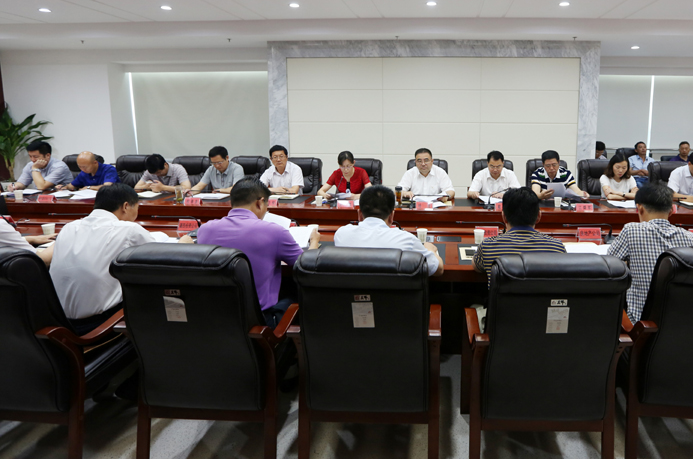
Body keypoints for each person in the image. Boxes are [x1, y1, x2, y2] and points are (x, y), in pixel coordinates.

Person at [50, 184, 192, 335]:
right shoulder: (128, 229)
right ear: (126, 206)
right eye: (137, 207)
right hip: (99, 326)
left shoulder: (68, 227)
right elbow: (164, 259)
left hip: (59, 324)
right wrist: (182, 244)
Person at [198, 178, 319, 327]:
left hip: (214, 319)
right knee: (294, 291)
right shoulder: (274, 231)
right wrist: (314, 241)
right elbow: (307, 267)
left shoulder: (204, 230)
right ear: (260, 203)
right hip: (259, 323)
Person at [608, 183, 693, 324]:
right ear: (671, 211)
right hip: (678, 321)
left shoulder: (631, 230)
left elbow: (609, 265)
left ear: (639, 208)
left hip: (639, 322)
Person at [334, 185, 443, 276]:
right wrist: (430, 250)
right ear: (391, 216)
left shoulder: (341, 235)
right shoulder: (407, 240)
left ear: (359, 214)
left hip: (351, 296)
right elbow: (438, 269)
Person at [473, 187, 565, 286]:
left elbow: (476, 266)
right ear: (539, 216)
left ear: (504, 217)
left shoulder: (488, 246)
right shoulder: (557, 248)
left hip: (505, 297)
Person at [9, 140, 73, 191]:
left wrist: (35, 168)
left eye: (35, 157)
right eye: (30, 156)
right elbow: (22, 182)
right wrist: (15, 186)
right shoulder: (30, 165)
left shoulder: (59, 167)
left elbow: (41, 187)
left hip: (62, 199)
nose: (32, 160)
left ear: (47, 155)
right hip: (40, 198)